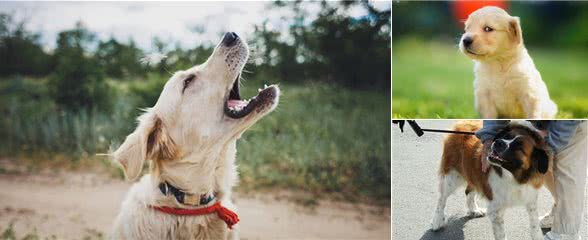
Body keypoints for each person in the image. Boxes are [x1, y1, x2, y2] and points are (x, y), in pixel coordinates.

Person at [476, 120, 587, 240]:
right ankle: (559, 213)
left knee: (567, 172)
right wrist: (489, 137)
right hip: (541, 122)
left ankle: (566, 234)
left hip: (570, 123)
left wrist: (553, 140)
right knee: (545, 170)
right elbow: (495, 107)